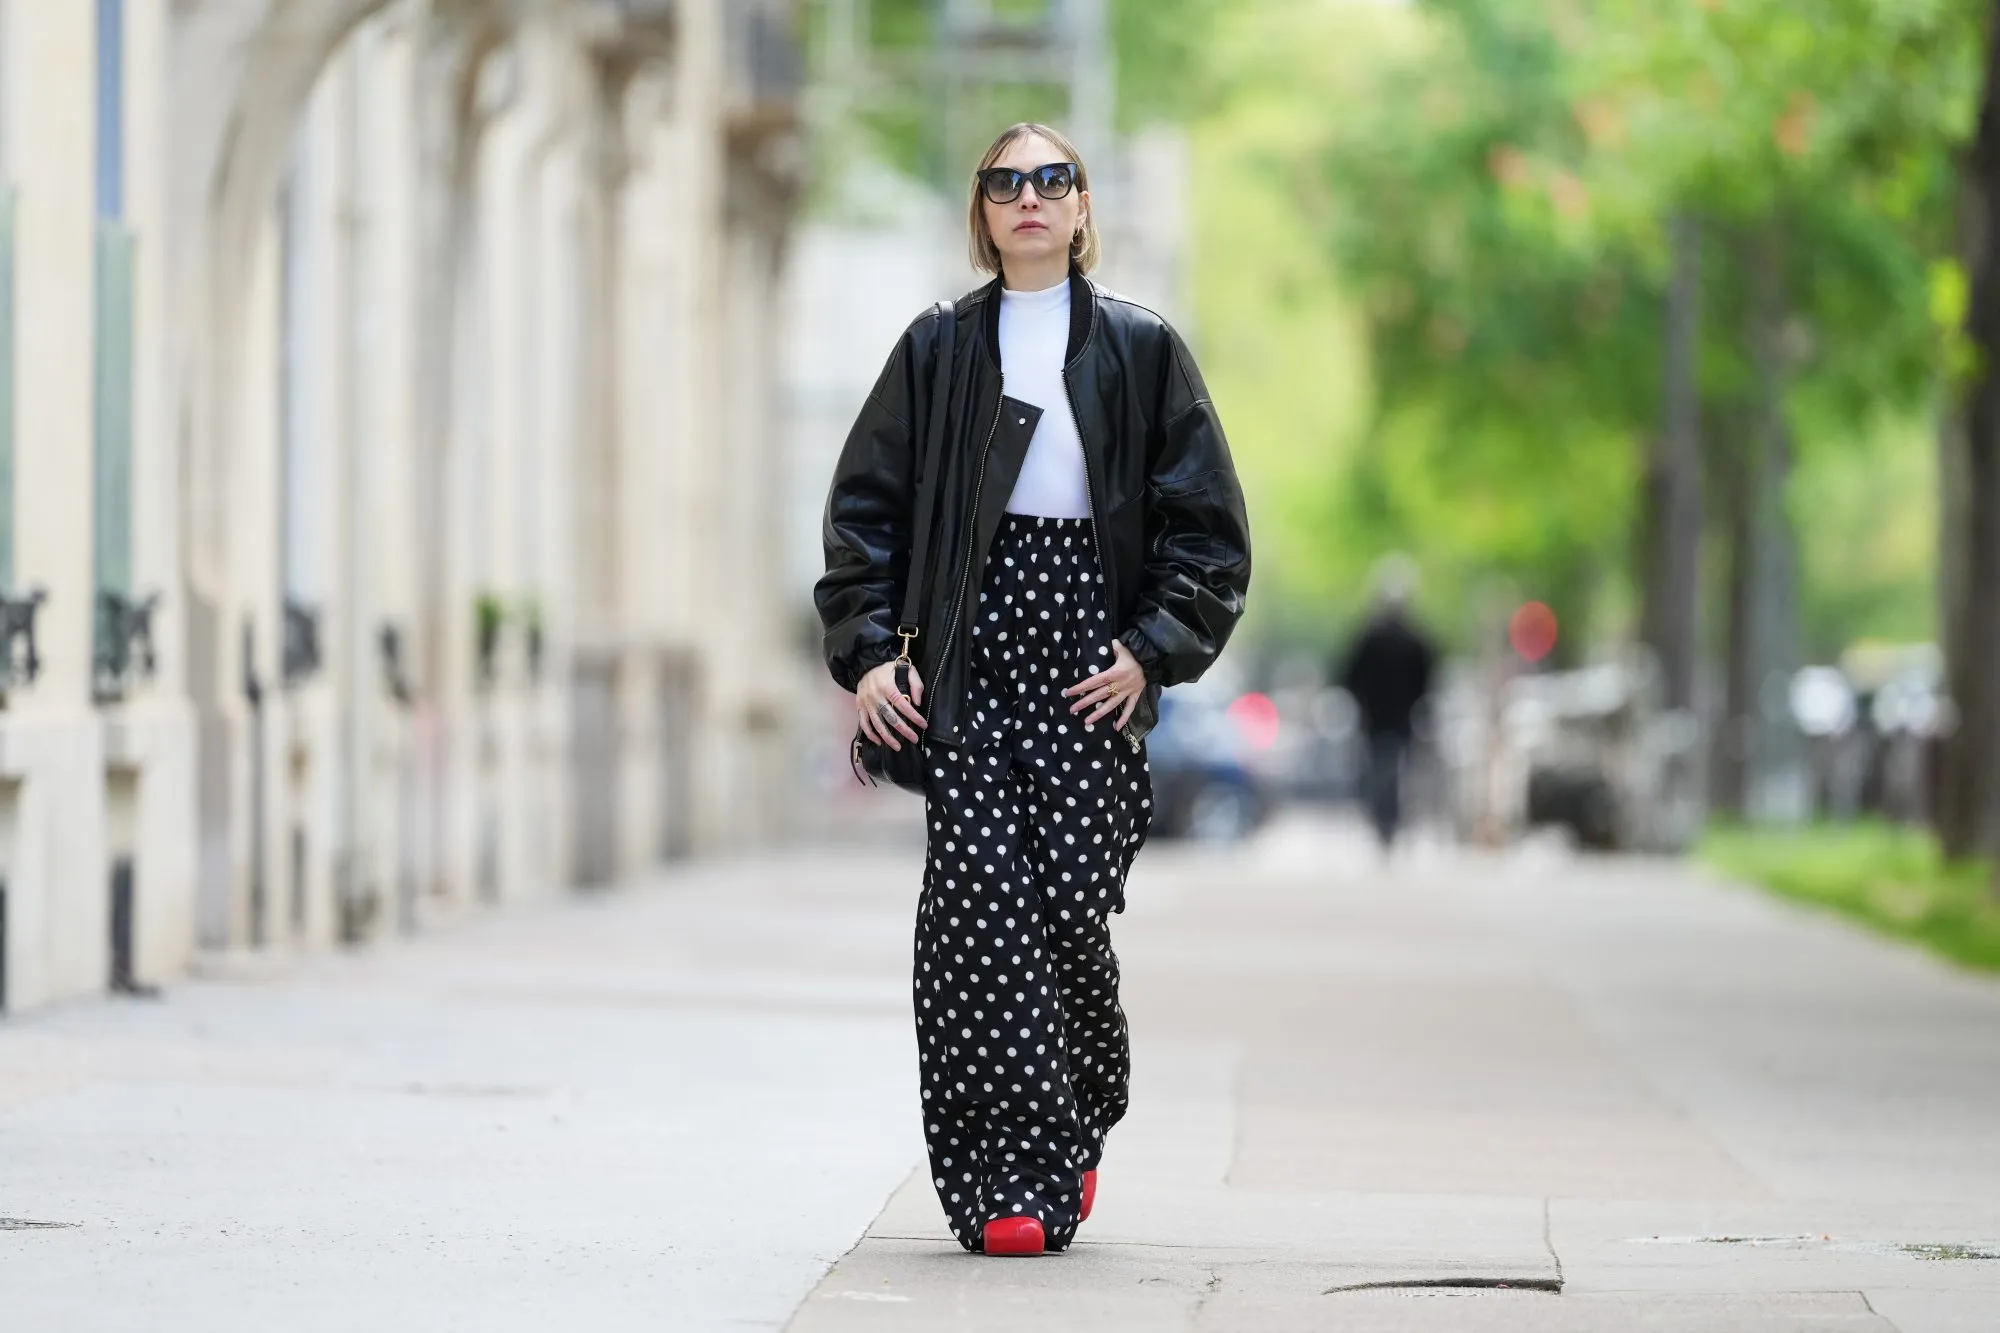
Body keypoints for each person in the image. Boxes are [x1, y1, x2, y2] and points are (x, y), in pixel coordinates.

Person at [815, 123, 1251, 1257]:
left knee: (1066, 917)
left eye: (1048, 180)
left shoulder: (1141, 351)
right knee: (973, 918)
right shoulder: (936, 349)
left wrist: (1149, 651)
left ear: (1080, 206)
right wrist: (869, 655)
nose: (1027, 198)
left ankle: (1077, 1116)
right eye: (1004, 182)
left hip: (1087, 669)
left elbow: (1208, 536)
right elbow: (863, 515)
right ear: (981, 210)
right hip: (968, 662)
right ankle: (1004, 1181)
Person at [1335, 557, 1438, 851]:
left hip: (1377, 718)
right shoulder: (1415, 638)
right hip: (1400, 718)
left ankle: (1384, 823)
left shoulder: (1369, 635)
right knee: (1397, 772)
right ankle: (1390, 823)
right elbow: (1428, 678)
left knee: (1380, 772)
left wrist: (1362, 700)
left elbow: (1348, 674)